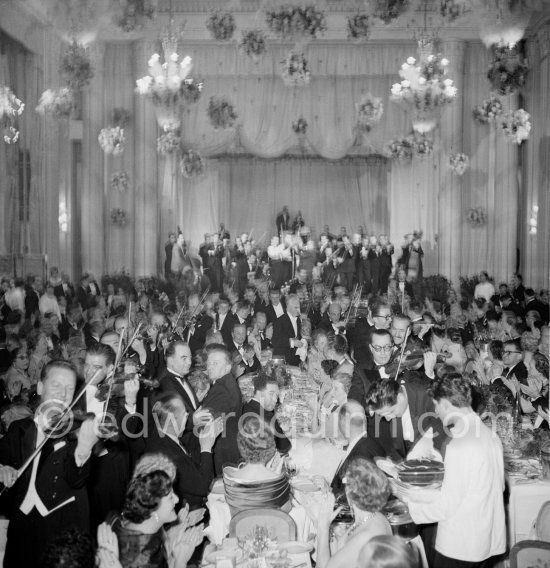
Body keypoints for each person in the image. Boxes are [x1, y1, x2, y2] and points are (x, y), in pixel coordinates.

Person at [395, 374, 506, 568]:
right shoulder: (489, 434)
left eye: (436, 405)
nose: (436, 411)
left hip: (461, 546)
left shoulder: (459, 444)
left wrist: (409, 501)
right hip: (486, 541)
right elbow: (500, 487)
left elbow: (446, 506)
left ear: (446, 403)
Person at [0, 360, 98, 568]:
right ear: (41, 387)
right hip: (22, 530)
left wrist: (83, 451)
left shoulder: (76, 431)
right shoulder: (19, 429)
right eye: (57, 386)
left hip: (63, 534)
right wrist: (2, 469)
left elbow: (76, 478)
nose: (63, 394)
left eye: (70, 389)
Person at [108, 453, 205, 568]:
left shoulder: (139, 522)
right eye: (170, 497)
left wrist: (172, 533)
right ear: (153, 508)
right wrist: (180, 561)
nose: (177, 499)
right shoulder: (142, 559)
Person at [146, 392, 222, 509]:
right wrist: (206, 448)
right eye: (184, 414)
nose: (188, 415)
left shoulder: (160, 433)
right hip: (188, 511)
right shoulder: (169, 456)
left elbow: (189, 464)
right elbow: (202, 486)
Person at [315, 458, 392, 568]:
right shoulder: (376, 517)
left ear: (348, 493)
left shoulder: (364, 537)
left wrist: (322, 527)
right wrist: (335, 534)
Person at [366, 378, 447, 461]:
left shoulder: (428, 396)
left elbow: (443, 436)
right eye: (383, 415)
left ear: (400, 398)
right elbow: (394, 447)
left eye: (391, 412)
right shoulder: (388, 405)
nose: (387, 419)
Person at [223, 415, 291, 515]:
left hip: (241, 529)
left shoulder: (229, 478)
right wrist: (275, 474)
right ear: (271, 447)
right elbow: (286, 510)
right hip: (270, 528)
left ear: (241, 446)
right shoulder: (278, 481)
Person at [330, 401, 387, 503]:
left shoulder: (361, 455)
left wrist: (328, 495)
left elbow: (357, 500)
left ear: (343, 421)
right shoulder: (366, 443)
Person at [202, 344, 242, 474]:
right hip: (230, 444)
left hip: (222, 451)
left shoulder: (221, 389)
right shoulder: (227, 381)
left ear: (228, 367)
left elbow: (205, 424)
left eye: (215, 363)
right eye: (209, 363)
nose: (210, 366)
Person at [242, 373, 291, 456]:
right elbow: (284, 447)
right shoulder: (268, 417)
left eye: (277, 395)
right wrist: (283, 430)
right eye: (271, 394)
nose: (275, 400)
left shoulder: (246, 406)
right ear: (259, 392)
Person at [272, 294, 304, 366]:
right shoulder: (280, 321)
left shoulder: (298, 320)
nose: (299, 310)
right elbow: (275, 340)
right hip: (282, 361)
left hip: (294, 360)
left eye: (299, 307)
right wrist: (292, 342)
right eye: (296, 307)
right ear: (288, 308)